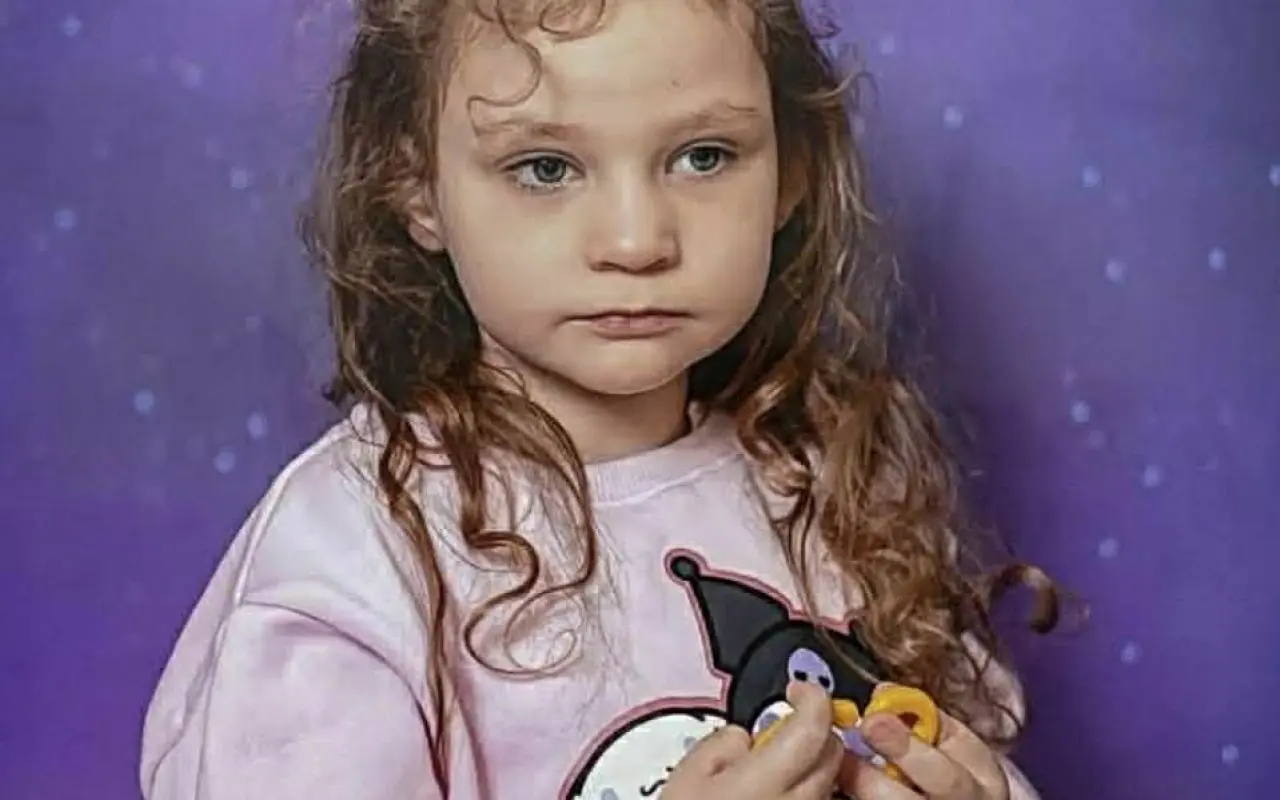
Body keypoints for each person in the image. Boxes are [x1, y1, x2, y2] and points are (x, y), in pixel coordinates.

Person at [140, 0, 1058, 797]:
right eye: (545, 167)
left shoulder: (840, 481)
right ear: (415, 184)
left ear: (793, 171)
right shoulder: (351, 557)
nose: (635, 240)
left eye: (703, 156)